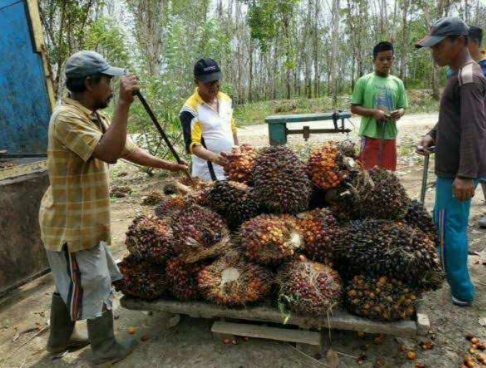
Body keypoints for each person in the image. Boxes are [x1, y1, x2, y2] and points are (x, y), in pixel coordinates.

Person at [39, 51, 187, 365]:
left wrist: (169, 166)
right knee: (95, 282)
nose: (111, 86)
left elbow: (126, 148)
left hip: (85, 221)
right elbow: (108, 152)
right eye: (108, 81)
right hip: (71, 224)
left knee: (71, 279)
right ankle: (104, 350)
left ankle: (59, 339)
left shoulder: (92, 115)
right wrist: (123, 104)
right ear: (91, 83)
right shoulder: (67, 118)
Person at [416, 17, 486, 306]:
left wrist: (466, 175)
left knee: (449, 228)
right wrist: (433, 135)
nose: (434, 53)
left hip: (456, 172)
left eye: (439, 46)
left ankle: (461, 291)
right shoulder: (457, 76)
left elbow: (475, 128)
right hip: (451, 167)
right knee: (447, 225)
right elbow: (452, 119)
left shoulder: (468, 78)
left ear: (460, 41)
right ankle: (459, 286)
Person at [350, 41, 408, 171]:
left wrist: (399, 112)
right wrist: (373, 112)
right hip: (370, 136)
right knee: (367, 174)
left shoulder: (397, 83)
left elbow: (403, 106)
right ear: (374, 60)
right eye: (381, 59)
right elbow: (354, 107)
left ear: (393, 59)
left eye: (389, 59)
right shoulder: (364, 81)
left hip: (390, 135)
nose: (385, 62)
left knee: (387, 176)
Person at [179, 58, 238, 181]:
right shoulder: (190, 110)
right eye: (207, 83)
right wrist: (217, 159)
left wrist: (237, 149)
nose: (214, 86)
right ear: (196, 82)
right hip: (208, 175)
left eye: (215, 81)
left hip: (231, 170)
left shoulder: (226, 100)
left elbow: (232, 129)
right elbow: (193, 146)